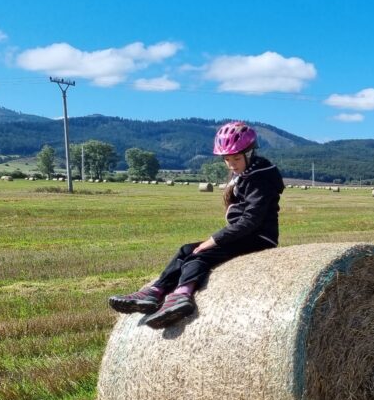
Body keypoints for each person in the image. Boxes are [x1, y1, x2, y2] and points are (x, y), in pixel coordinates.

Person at [108, 121, 284, 329]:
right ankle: (155, 292)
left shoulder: (260, 176)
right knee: (185, 249)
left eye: (236, 158)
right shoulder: (247, 172)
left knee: (200, 255)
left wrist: (215, 239)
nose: (231, 164)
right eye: (226, 159)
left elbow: (251, 221)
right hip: (244, 235)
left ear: (250, 152)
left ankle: (182, 295)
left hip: (258, 238)